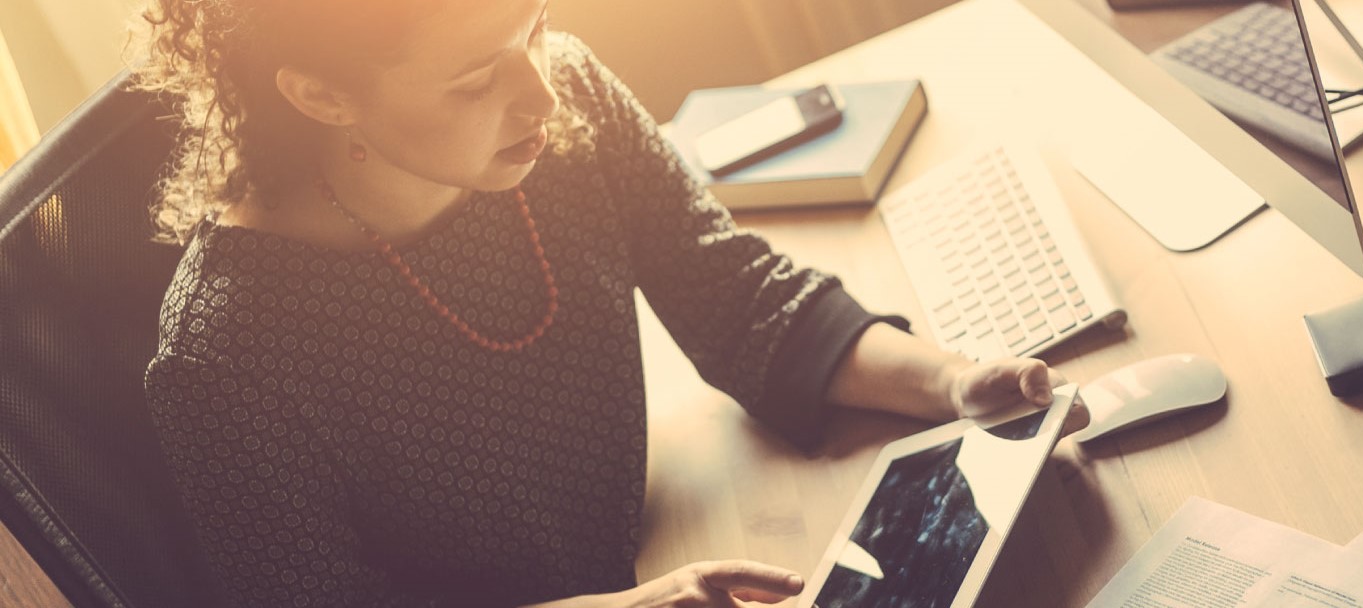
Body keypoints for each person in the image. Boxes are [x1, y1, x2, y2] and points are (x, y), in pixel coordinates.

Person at [134, 0, 1089, 606]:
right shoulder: (225, 359)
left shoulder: (571, 102)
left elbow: (735, 294)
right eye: (477, 78)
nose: (541, 94)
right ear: (319, 93)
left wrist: (959, 384)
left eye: (535, 26)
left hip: (662, 548)